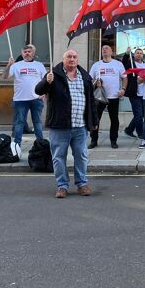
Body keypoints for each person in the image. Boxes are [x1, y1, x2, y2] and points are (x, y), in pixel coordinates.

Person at [35, 49, 96, 198]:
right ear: (63, 59)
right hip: (59, 125)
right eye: (69, 57)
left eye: (74, 57)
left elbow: (91, 101)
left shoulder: (85, 77)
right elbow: (38, 90)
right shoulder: (53, 75)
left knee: (81, 156)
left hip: (79, 125)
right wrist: (46, 82)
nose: (72, 59)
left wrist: (93, 121)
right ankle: (62, 186)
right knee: (58, 157)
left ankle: (82, 183)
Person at [3, 44, 46, 153]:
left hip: (36, 98)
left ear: (33, 53)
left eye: (29, 51)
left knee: (37, 122)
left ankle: (40, 145)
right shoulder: (16, 65)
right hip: (20, 99)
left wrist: (44, 93)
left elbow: (45, 81)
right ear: (22, 53)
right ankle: (17, 146)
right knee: (20, 122)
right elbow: (4, 76)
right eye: (25, 52)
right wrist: (9, 65)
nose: (27, 53)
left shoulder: (39, 65)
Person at [89, 45, 127, 149]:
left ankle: (113, 140)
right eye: (103, 49)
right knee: (96, 119)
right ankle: (94, 140)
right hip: (100, 97)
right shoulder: (96, 65)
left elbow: (124, 78)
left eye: (107, 49)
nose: (104, 50)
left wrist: (123, 89)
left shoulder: (118, 64)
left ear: (112, 52)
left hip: (113, 96)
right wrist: (95, 83)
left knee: (114, 119)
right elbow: (89, 80)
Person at [121, 47, 144, 139]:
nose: (139, 54)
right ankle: (141, 134)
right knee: (138, 114)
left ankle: (129, 130)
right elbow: (123, 63)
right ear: (134, 55)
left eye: (140, 53)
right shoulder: (131, 64)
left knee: (141, 114)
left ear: (143, 55)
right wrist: (127, 54)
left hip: (144, 93)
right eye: (137, 53)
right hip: (134, 93)